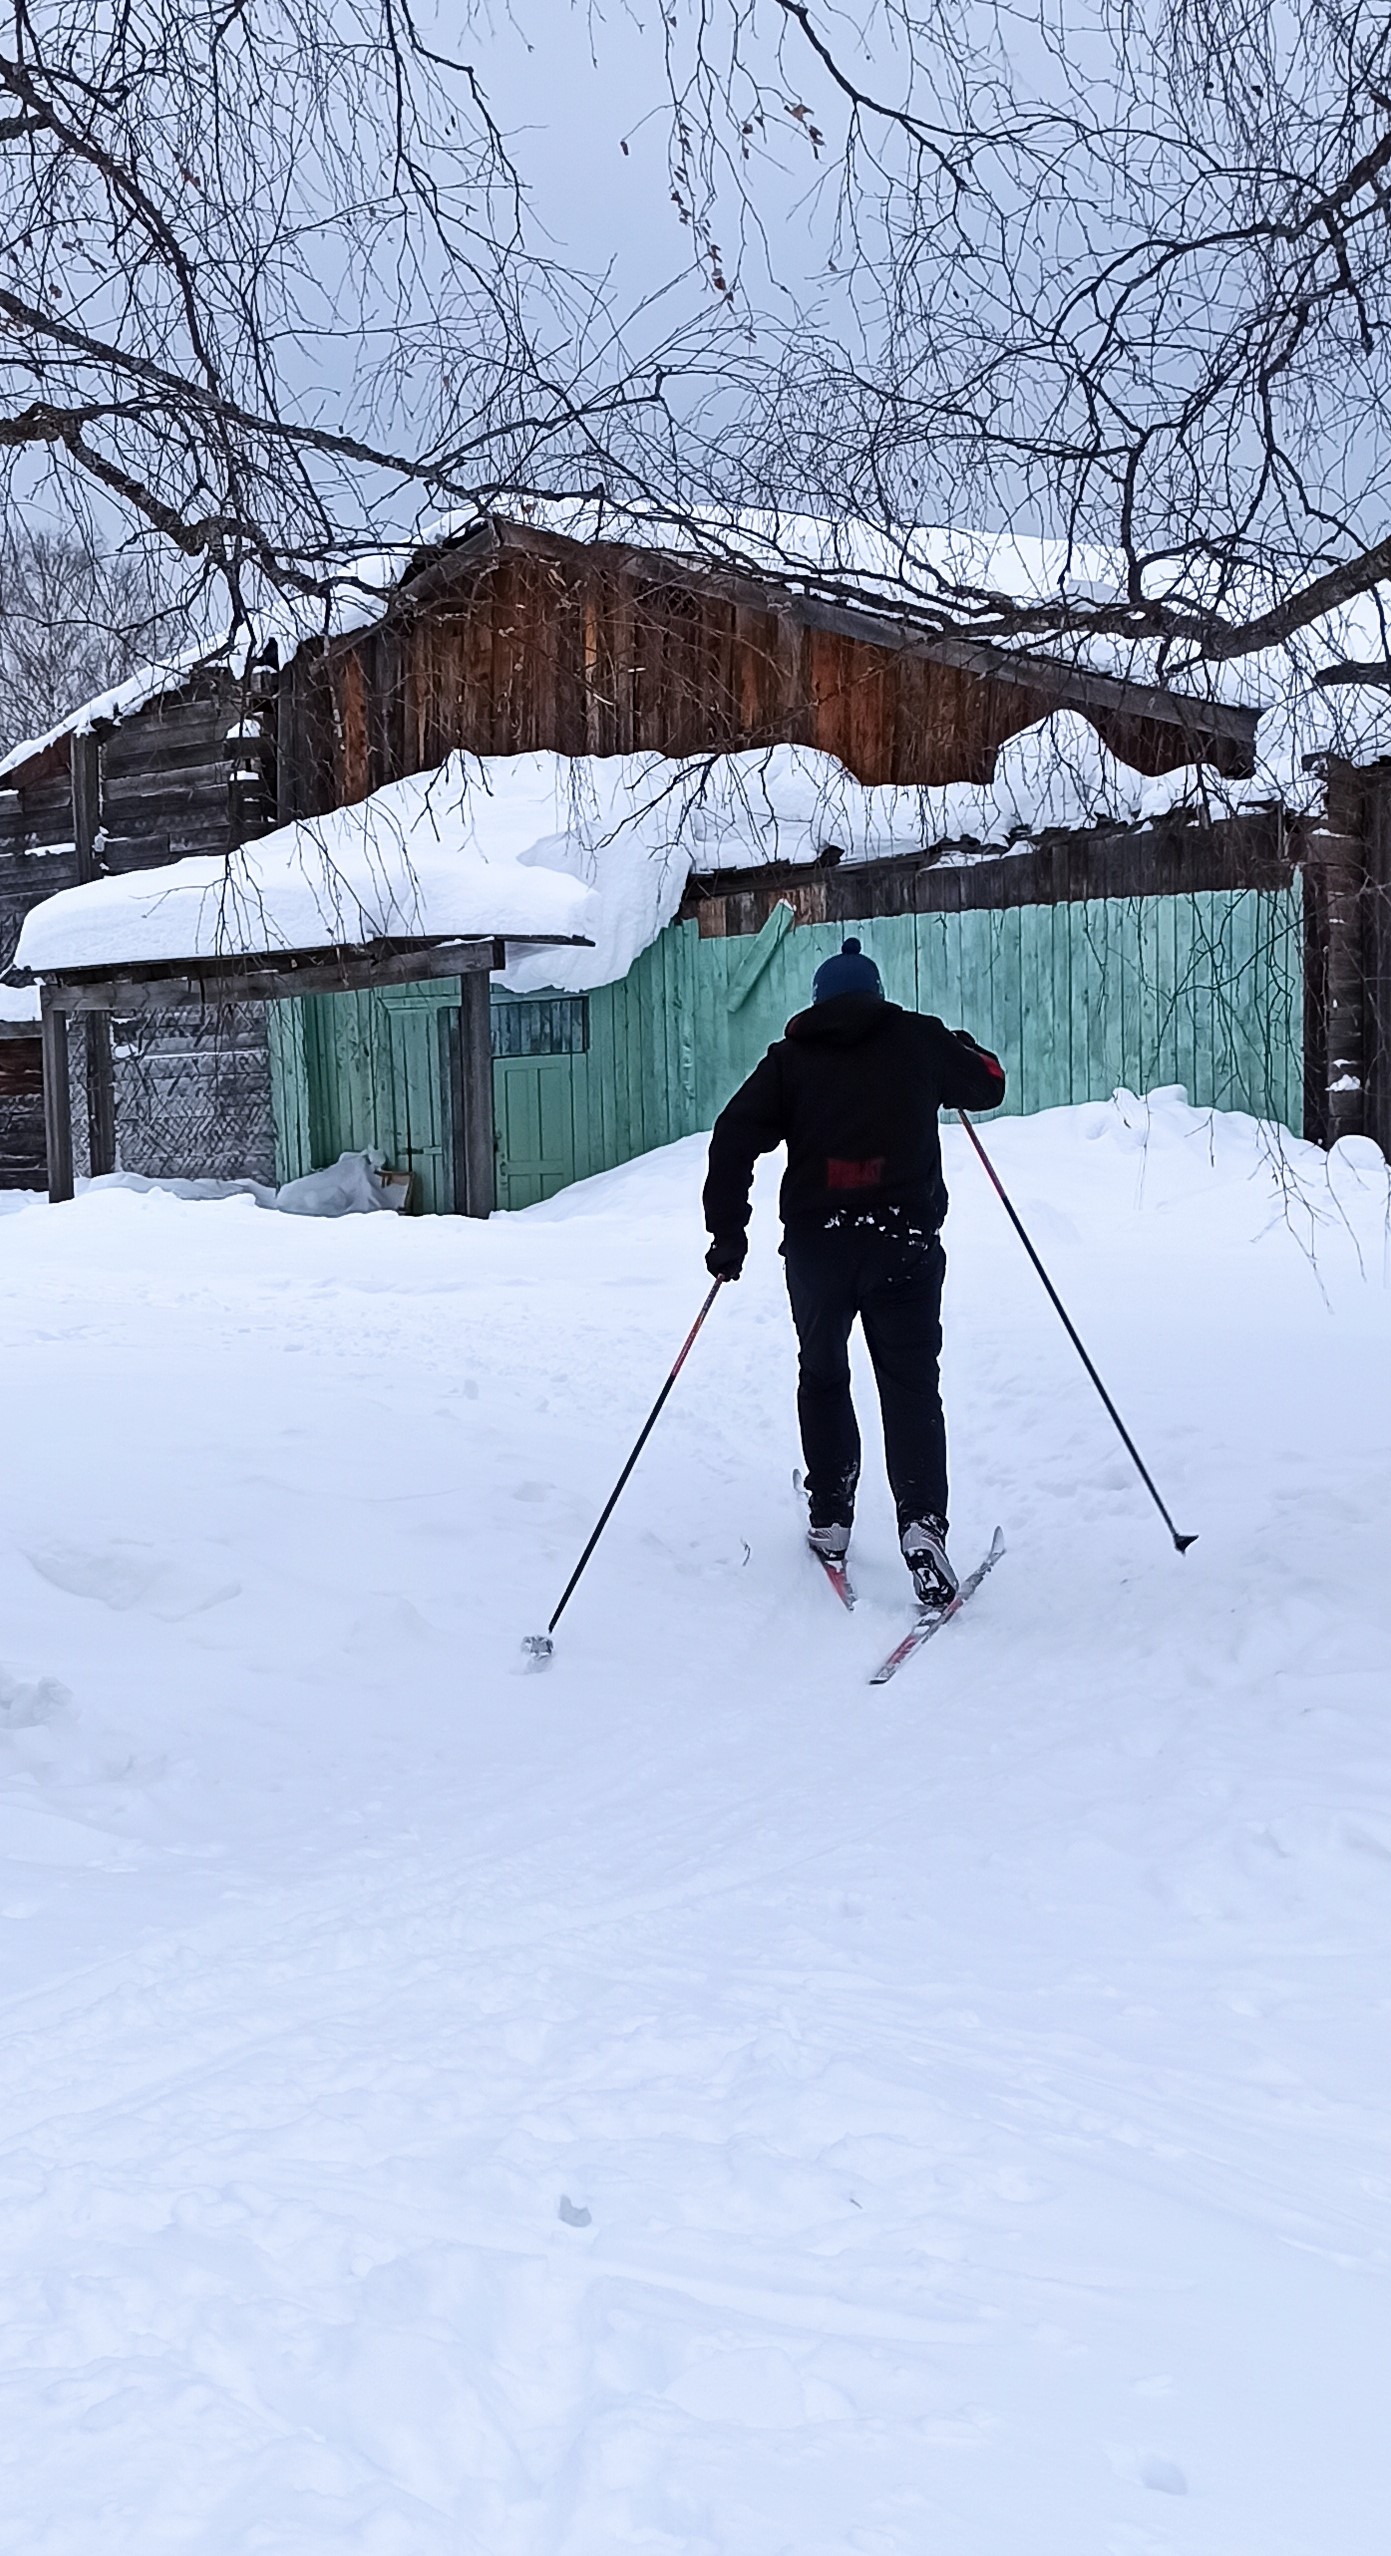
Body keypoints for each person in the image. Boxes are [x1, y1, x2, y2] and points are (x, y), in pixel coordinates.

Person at [702, 936, 1006, 1607]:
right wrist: (959, 1045)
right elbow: (987, 1084)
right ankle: (921, 1525)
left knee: (822, 1373)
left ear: (818, 1001)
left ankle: (830, 1515)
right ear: (873, 992)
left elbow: (732, 1135)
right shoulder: (917, 1039)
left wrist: (728, 1232)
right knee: (908, 1387)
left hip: (819, 1249)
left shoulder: (790, 1060)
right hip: (903, 1244)